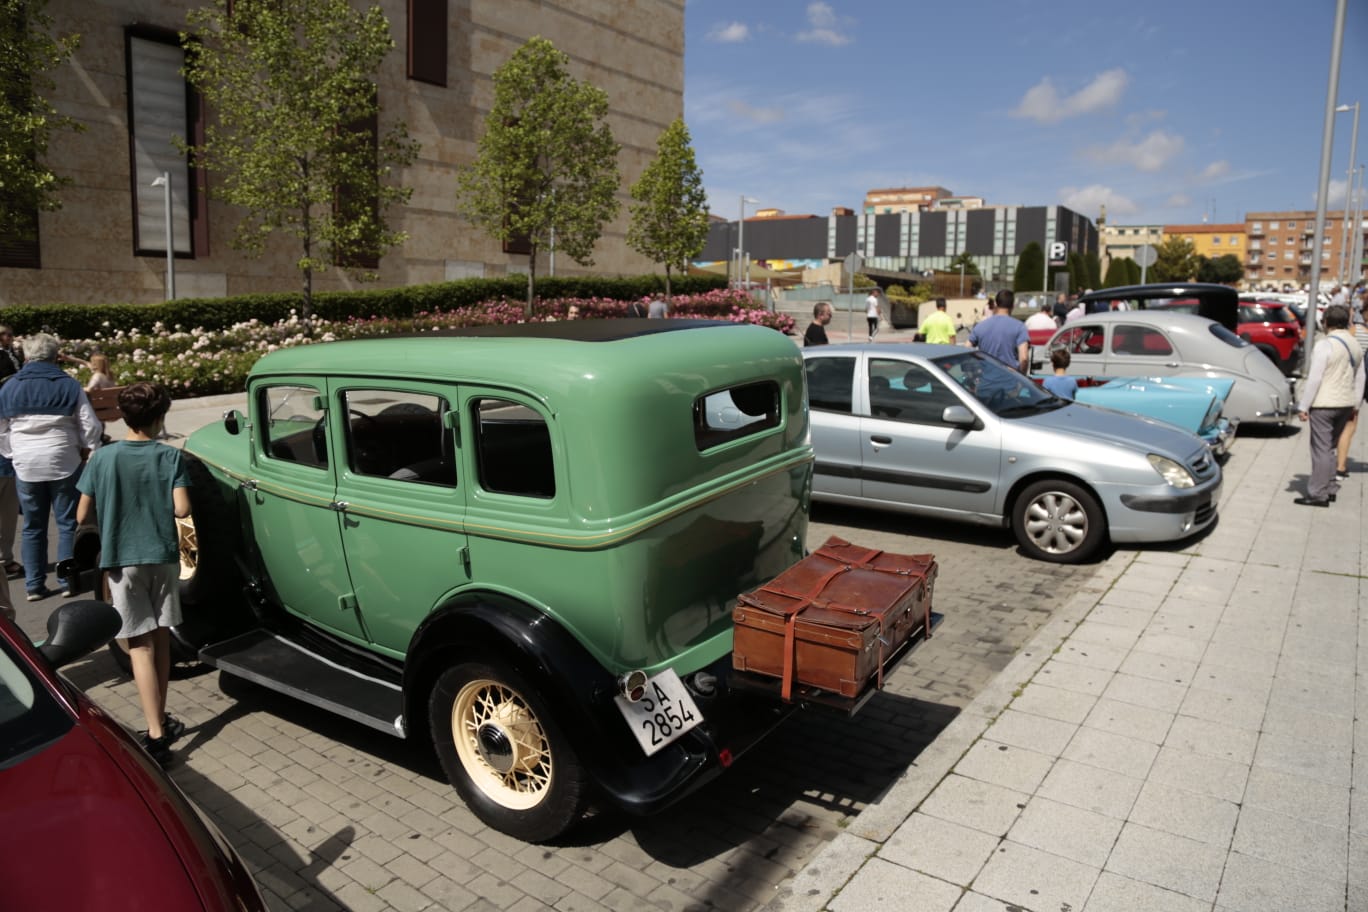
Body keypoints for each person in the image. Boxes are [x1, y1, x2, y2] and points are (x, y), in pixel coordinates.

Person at [76, 382, 191, 767]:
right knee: (160, 641)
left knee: (138, 646)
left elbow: (80, 515)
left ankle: (156, 732)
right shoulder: (169, 456)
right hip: (161, 556)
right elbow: (181, 510)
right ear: (159, 417)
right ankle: (161, 719)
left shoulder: (103, 458)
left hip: (122, 560)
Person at [0, 333, 103, 599]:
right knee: (67, 523)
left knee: (33, 526)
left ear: (26, 356)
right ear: (55, 355)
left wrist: (12, 454)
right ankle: (68, 581)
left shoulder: (10, 387)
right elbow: (90, 426)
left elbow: (1, 430)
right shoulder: (69, 385)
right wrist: (88, 450)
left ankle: (34, 585)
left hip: (26, 464)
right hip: (63, 460)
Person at [1296, 304, 1365, 506]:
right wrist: (1356, 404)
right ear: (1346, 322)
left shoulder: (1325, 345)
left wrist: (1303, 406)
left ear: (1326, 322)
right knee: (1330, 448)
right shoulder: (1355, 345)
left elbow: (1315, 378)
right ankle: (1330, 487)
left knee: (1320, 449)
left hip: (1324, 404)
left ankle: (1318, 493)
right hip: (1346, 403)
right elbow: (1361, 377)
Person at [967, 290, 1029, 372]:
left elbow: (966, 347)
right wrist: (1021, 378)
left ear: (996, 304)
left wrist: (978, 364)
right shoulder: (1019, 327)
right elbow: (1024, 358)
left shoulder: (980, 326)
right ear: (1013, 306)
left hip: (986, 378)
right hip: (1010, 379)